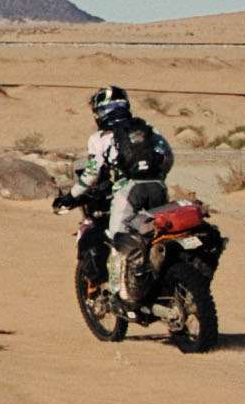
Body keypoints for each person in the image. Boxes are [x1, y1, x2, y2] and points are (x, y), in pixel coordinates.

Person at [57, 87, 176, 304]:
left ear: (100, 112)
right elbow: (167, 156)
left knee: (117, 240)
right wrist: (157, 177)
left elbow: (92, 173)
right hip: (158, 187)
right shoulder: (147, 129)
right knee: (154, 235)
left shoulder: (100, 138)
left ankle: (121, 294)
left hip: (128, 191)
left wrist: (70, 196)